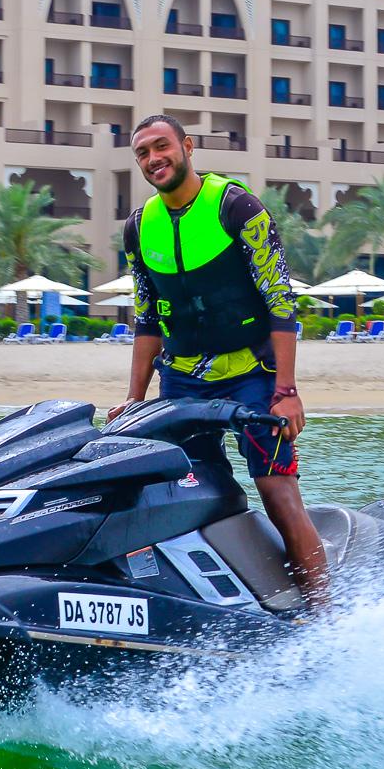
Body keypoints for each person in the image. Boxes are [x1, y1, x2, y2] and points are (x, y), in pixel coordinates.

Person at [117, 114, 330, 605]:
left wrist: (287, 391)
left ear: (187, 146)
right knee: (187, 494)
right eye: (143, 153)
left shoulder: (238, 208)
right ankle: (226, 601)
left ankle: (322, 615)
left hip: (253, 378)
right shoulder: (137, 228)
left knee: (277, 494)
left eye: (162, 147)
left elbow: (281, 303)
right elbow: (148, 319)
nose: (154, 159)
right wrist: (134, 398)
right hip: (183, 382)